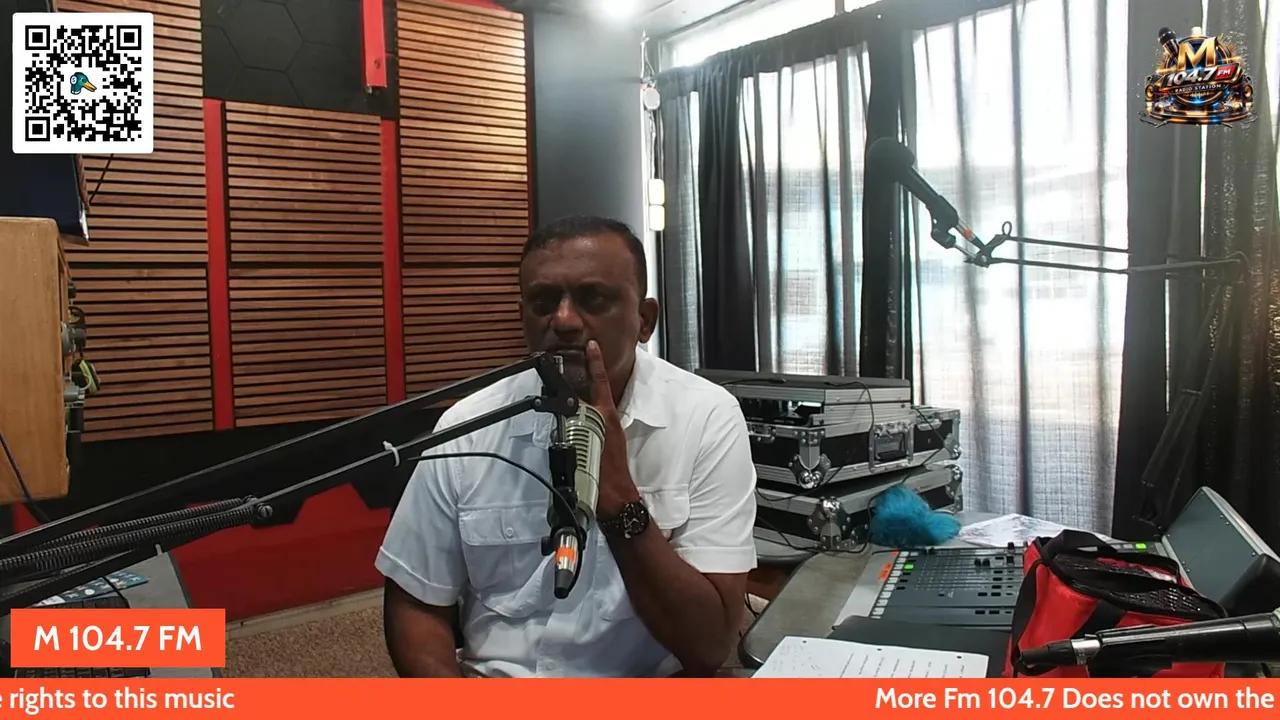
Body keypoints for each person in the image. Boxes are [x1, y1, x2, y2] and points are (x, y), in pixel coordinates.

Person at [375, 214, 758, 678]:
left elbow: (709, 644)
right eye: (542, 302)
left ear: (645, 320)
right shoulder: (467, 427)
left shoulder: (706, 417)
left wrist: (620, 504)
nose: (563, 321)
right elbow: (416, 601)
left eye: (593, 299)